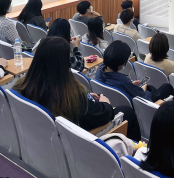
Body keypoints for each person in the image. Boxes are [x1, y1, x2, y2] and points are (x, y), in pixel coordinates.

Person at [13, 36, 141, 141]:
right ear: (65, 64)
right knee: (126, 111)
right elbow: (103, 115)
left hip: (42, 139)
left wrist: (88, 97)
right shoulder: (72, 96)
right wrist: (105, 104)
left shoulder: (23, 85)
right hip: (76, 142)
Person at [96, 40, 174, 103]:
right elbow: (144, 99)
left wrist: (131, 85)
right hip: (143, 105)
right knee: (167, 87)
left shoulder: (100, 70)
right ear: (121, 63)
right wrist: (143, 89)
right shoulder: (123, 81)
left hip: (115, 101)